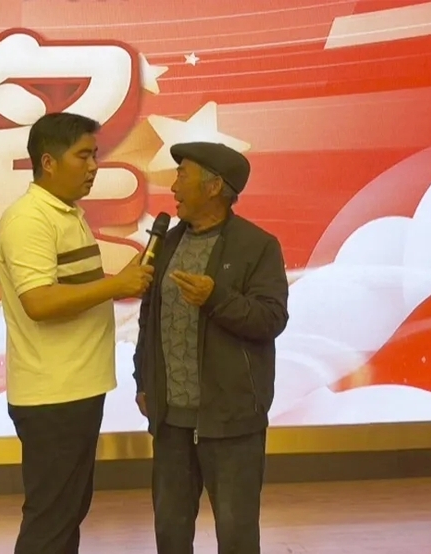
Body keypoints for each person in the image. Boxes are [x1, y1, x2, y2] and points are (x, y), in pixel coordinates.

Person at [0, 112, 154, 554]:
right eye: (83, 156)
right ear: (48, 162)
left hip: (75, 389)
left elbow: (74, 292)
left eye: (95, 155)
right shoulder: (30, 219)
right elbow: (40, 302)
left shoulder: (66, 213)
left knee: (67, 513)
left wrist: (122, 281)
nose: (93, 166)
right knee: (51, 519)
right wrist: (115, 286)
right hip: (53, 395)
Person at [133, 141, 290, 554]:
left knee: (237, 535)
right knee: (170, 532)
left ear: (215, 186)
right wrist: (142, 380)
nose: (173, 186)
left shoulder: (257, 246)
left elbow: (271, 319)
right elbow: (149, 317)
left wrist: (216, 298)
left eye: (182, 175)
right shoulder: (166, 242)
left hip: (231, 419)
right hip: (171, 420)